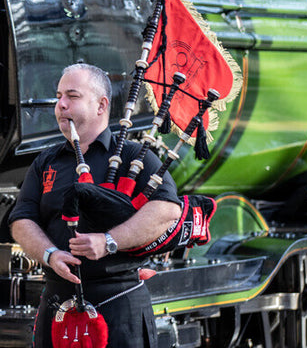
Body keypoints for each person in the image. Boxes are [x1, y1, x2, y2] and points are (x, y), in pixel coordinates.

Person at [9, 63, 183, 348]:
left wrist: (109, 241)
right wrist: (50, 254)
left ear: (101, 105)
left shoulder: (134, 156)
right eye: (59, 96)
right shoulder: (45, 161)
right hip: (58, 303)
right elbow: (21, 219)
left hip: (120, 305)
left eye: (72, 96)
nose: (61, 105)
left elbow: (167, 209)